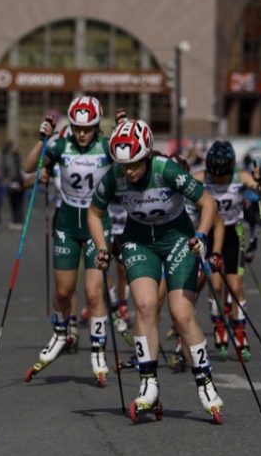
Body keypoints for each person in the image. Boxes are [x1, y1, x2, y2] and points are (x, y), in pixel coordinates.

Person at [87, 118, 225, 423]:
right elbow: (94, 213)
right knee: (145, 305)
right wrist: (101, 247)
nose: (129, 171)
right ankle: (148, 384)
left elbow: (208, 203)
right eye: (124, 165)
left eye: (135, 164)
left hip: (177, 238)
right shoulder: (115, 177)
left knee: (181, 314)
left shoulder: (167, 170)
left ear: (148, 155)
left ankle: (205, 383)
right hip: (138, 240)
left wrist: (201, 236)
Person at [19, 96, 118, 386]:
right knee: (63, 293)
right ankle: (60, 333)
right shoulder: (61, 144)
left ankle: (98, 351)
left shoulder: (107, 146)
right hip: (67, 223)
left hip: (97, 223)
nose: (82, 133)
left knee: (94, 293)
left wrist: (124, 129)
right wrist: (42, 141)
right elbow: (28, 168)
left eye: (88, 128)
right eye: (77, 127)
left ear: (97, 126)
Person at [193, 140, 261, 361]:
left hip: (232, 235)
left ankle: (240, 331)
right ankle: (219, 324)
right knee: (216, 285)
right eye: (215, 175)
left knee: (235, 286)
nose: (219, 179)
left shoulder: (241, 177)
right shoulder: (201, 177)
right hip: (209, 236)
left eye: (223, 176)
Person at [1, 140, 24, 228]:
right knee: (13, 203)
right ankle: (14, 221)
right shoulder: (7, 157)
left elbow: (22, 170)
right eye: (14, 147)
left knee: (19, 203)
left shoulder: (19, 157)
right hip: (11, 183)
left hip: (19, 182)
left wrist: (20, 182)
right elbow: (6, 171)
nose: (16, 148)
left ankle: (19, 221)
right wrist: (8, 181)